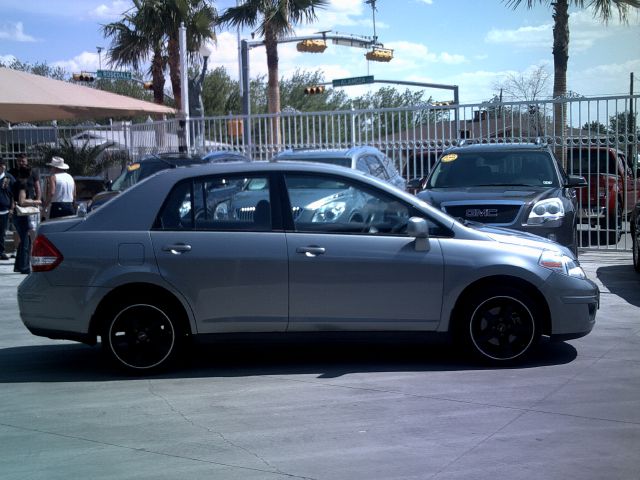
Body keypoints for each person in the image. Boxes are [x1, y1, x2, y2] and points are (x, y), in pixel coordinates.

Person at [12, 166, 42, 274]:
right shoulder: (22, 185)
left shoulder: (15, 183)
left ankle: (18, 266)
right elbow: (22, 201)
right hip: (22, 216)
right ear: (28, 174)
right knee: (26, 242)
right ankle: (24, 267)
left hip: (17, 215)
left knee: (22, 241)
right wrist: (35, 202)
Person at [0, 159, 15, 260]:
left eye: (3, 165)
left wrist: (12, 208)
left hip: (4, 209)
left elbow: (13, 194)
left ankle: (1, 252)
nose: (2, 167)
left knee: (1, 232)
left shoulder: (8, 178)